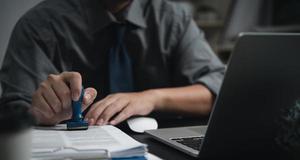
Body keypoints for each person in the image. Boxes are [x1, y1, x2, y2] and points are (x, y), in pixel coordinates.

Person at [0, 0, 225, 126]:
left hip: (163, 153)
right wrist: (42, 112)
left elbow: (219, 90)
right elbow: (14, 110)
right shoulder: (40, 25)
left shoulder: (172, 17)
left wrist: (152, 98)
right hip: (73, 154)